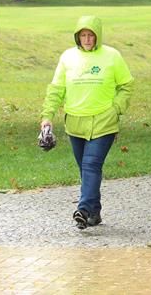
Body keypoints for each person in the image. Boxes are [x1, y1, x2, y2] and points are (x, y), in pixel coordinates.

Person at [40, 15, 134, 229]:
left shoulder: (112, 56)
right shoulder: (67, 57)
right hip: (75, 124)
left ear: (97, 36)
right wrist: (47, 116)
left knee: (91, 165)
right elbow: (56, 89)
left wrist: (116, 109)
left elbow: (127, 85)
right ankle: (94, 212)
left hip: (104, 122)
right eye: (83, 35)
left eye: (91, 35)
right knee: (86, 170)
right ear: (77, 37)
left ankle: (82, 209)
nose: (87, 39)